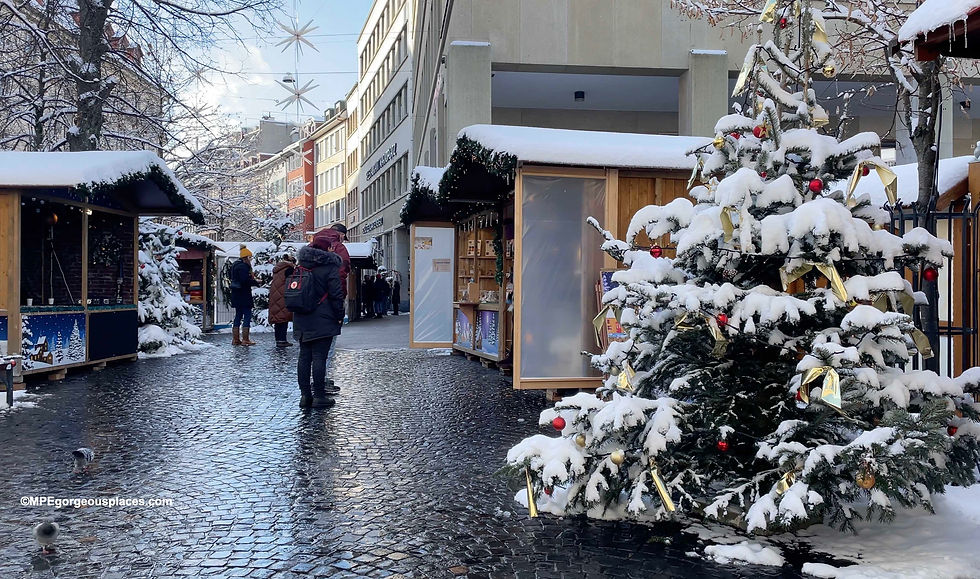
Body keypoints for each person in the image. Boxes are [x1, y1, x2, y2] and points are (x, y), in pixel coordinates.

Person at [293, 239, 344, 409]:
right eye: (331, 247)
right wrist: (339, 316)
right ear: (327, 249)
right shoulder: (330, 268)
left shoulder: (300, 266)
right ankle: (319, 396)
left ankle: (305, 396)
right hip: (323, 318)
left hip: (301, 318)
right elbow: (336, 295)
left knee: (304, 357)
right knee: (319, 358)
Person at [230, 245, 261, 346]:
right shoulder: (244, 267)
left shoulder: (235, 265)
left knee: (238, 315)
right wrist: (256, 282)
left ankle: (235, 339)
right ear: (246, 258)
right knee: (247, 315)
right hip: (243, 295)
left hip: (236, 295)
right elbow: (245, 281)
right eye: (250, 258)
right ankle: (245, 339)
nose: (251, 260)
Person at [268, 254, 296, 347]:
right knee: (283, 318)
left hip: (275, 295)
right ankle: (282, 340)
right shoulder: (289, 269)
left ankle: (278, 339)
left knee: (278, 319)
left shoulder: (278, 269)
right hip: (283, 295)